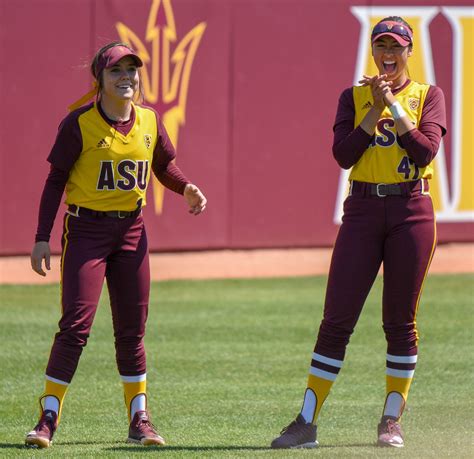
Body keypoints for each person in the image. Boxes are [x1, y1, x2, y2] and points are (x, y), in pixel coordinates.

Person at [271, 16, 446, 449]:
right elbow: (344, 155)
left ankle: (391, 421)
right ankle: (306, 422)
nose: (388, 54)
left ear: (409, 51)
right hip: (364, 209)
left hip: (411, 208)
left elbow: (425, 151)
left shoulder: (429, 95)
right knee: (336, 319)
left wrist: (396, 106)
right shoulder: (352, 96)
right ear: (373, 50)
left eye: (396, 46)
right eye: (381, 46)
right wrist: (375, 106)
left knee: (400, 321)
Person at [25, 42, 207, 448]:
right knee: (75, 327)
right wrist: (41, 238)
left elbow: (162, 165)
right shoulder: (79, 124)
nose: (126, 77)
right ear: (100, 80)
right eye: (116, 71)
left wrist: (186, 187)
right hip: (86, 231)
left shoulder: (149, 119)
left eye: (131, 70)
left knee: (132, 331)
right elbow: (56, 181)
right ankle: (48, 416)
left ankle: (139, 418)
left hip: (131, 232)